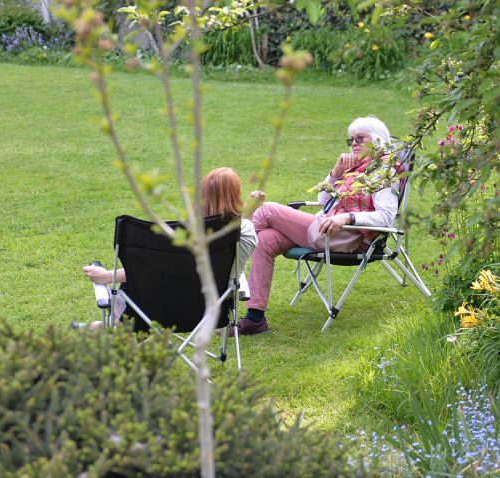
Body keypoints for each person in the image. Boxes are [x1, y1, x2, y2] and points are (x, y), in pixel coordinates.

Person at [237, 115, 400, 336]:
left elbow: (386, 216)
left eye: (359, 138)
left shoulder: (384, 171)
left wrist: (347, 218)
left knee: (267, 210)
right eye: (350, 140)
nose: (353, 144)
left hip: (347, 236)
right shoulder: (357, 168)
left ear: (378, 139)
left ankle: (231, 258)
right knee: (265, 240)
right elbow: (324, 200)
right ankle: (255, 319)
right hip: (323, 230)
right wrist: (335, 172)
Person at [74, 167, 258, 329]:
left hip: (161, 307)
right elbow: (238, 231)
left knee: (144, 277)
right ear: (237, 195)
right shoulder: (247, 230)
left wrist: (106, 276)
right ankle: (110, 327)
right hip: (211, 309)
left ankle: (113, 326)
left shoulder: (185, 234)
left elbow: (151, 269)